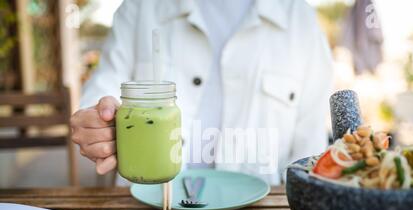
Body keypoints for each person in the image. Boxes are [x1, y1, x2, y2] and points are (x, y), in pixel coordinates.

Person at [70, 0, 334, 185]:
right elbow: (105, 84)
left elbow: (309, 156)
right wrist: (99, 122)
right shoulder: (140, 7)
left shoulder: (300, 20)